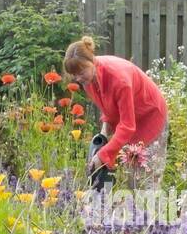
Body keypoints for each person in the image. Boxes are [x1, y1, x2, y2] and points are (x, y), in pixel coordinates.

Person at [63, 36, 168, 188]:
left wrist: (104, 154)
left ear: (91, 61)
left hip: (150, 115)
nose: (78, 78)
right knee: (130, 176)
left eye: (81, 72)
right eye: (74, 75)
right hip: (130, 118)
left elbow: (127, 126)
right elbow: (109, 107)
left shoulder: (119, 80)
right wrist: (104, 136)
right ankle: (133, 210)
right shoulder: (89, 79)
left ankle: (150, 210)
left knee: (145, 180)